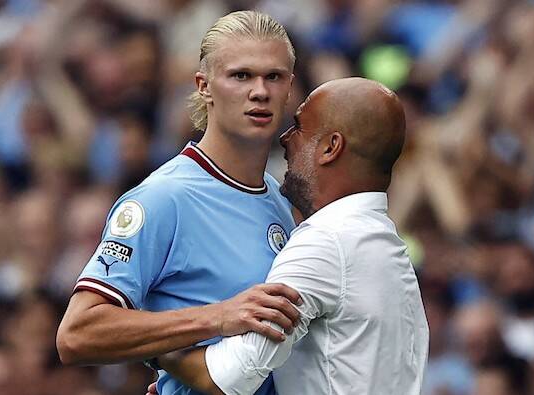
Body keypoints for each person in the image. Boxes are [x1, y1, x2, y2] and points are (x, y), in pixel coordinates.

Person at [56, 11, 303, 395]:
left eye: (274, 76)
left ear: (289, 88)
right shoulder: (163, 197)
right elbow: (76, 333)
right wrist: (216, 317)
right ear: (204, 86)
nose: (260, 91)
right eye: (241, 76)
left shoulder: (281, 202)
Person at [150, 77, 430, 395]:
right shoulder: (388, 250)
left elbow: (229, 377)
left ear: (330, 148)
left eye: (298, 127)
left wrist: (159, 348)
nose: (284, 138)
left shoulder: (325, 242)